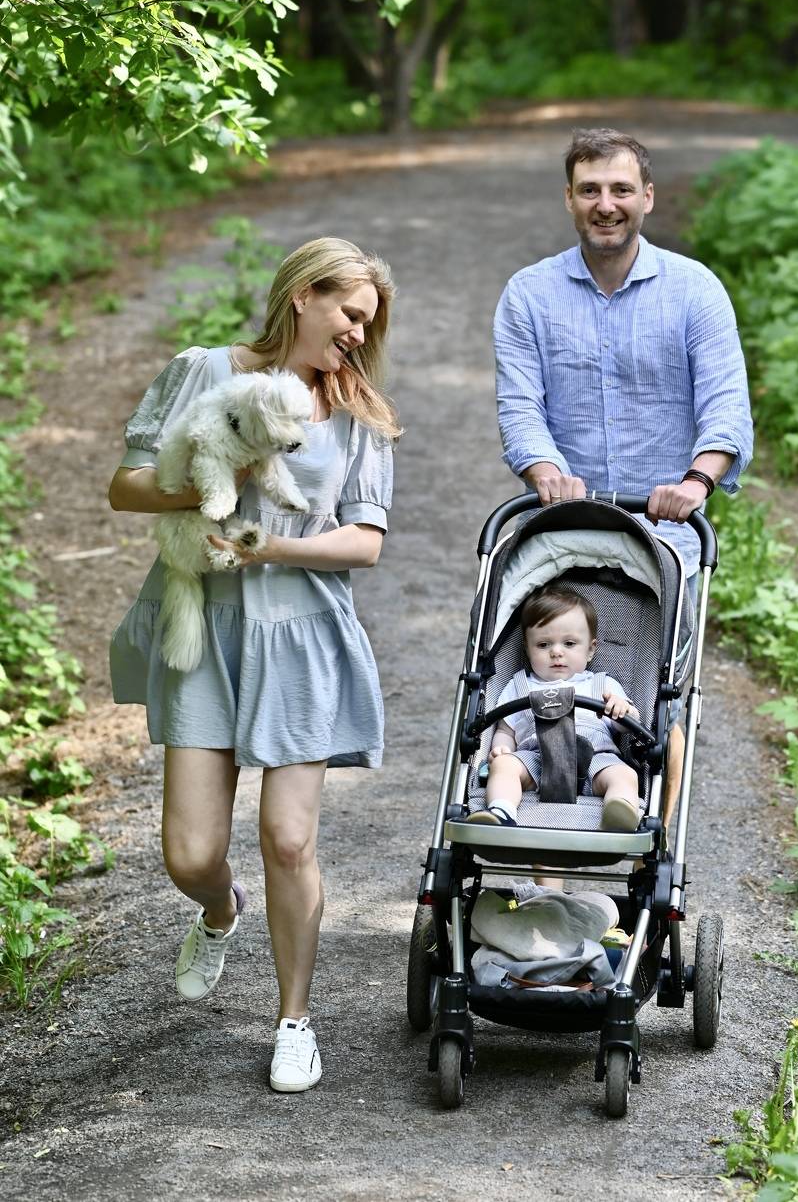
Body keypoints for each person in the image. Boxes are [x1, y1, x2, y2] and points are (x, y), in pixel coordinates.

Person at [108, 237, 399, 1094]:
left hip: (300, 635)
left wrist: (268, 545)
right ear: (304, 295)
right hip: (204, 626)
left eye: (367, 324)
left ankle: (294, 1022)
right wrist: (212, 484)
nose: (357, 335)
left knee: (289, 837)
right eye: (349, 315)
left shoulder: (357, 412)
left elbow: (365, 542)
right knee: (189, 854)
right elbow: (126, 485)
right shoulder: (203, 369)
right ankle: (218, 908)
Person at [493, 128, 753, 832]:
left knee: (663, 694)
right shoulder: (528, 295)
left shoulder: (695, 290)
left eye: (619, 189)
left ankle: (651, 842)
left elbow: (726, 407)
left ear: (646, 197)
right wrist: (545, 470)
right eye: (589, 190)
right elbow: (520, 406)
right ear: (569, 199)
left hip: (667, 533)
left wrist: (696, 482)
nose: (605, 204)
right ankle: (523, 823)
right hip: (562, 530)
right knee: (525, 676)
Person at [467, 584, 643, 833]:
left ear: (590, 650)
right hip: (537, 759)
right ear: (527, 649)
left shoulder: (603, 684)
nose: (557, 652)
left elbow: (627, 726)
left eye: (569, 643)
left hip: (595, 758)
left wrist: (623, 711)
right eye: (543, 645)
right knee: (505, 767)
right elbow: (505, 729)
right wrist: (501, 749)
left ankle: (619, 810)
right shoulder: (519, 685)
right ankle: (501, 811)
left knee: (624, 775)